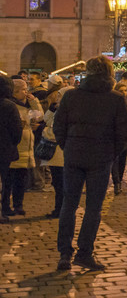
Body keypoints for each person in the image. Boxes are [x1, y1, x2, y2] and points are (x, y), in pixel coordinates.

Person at [53, 56, 127, 270]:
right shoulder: (116, 98)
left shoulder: (71, 96)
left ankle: (64, 253)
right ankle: (84, 252)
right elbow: (124, 133)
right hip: (100, 157)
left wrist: (67, 146)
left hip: (74, 155)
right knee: (93, 208)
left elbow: (58, 126)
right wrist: (111, 154)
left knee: (68, 205)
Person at [3, 78, 42, 217]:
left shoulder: (27, 105)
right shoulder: (11, 106)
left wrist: (34, 101)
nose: (26, 92)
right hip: (15, 148)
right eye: (24, 89)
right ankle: (6, 206)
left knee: (21, 180)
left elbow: (39, 116)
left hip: (26, 148)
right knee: (8, 181)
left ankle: (18, 205)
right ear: (15, 91)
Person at [41, 87, 69, 218]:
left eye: (59, 96)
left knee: (60, 183)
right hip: (55, 154)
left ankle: (60, 210)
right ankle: (59, 209)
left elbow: (54, 132)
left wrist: (44, 131)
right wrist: (51, 109)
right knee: (58, 183)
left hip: (59, 154)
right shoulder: (58, 109)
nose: (57, 98)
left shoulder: (67, 112)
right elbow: (46, 120)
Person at [0, 76, 24, 225]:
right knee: (4, 180)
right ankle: (4, 209)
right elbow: (17, 131)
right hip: (4, 149)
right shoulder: (9, 106)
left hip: (5, 148)